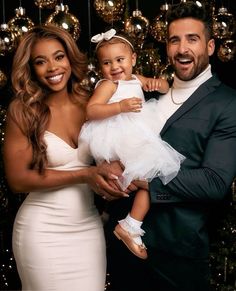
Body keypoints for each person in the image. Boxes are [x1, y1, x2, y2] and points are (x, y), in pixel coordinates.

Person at [97, 2, 236, 291]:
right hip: (122, 252)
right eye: (175, 40)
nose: (182, 49)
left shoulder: (227, 102)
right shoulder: (144, 95)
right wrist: (105, 165)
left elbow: (214, 183)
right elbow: (110, 136)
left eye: (192, 39)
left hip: (178, 256)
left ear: (210, 47)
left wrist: (141, 178)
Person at [2, 25, 127, 291]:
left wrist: (112, 174)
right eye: (40, 61)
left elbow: (118, 151)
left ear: (70, 58)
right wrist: (84, 174)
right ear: (31, 69)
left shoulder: (92, 104)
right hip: (42, 232)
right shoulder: (23, 111)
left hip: (87, 228)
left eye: (59, 57)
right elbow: (18, 179)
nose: (52, 68)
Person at [78, 28, 185, 260]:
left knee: (151, 177)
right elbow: (91, 110)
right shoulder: (108, 85)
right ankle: (128, 224)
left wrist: (158, 84)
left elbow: (165, 88)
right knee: (145, 175)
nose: (115, 67)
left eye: (120, 60)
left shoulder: (136, 79)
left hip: (137, 135)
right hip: (117, 137)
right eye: (107, 63)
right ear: (100, 68)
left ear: (133, 59)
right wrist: (119, 107)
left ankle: (129, 223)